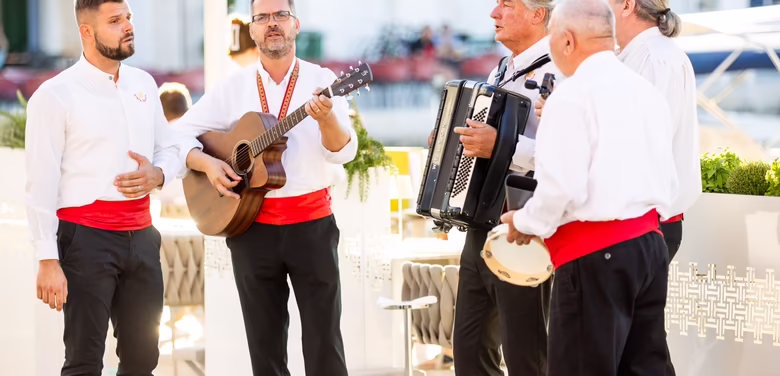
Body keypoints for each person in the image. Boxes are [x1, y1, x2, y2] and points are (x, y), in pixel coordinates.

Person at [170, 0, 357, 375]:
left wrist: (326, 121)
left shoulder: (322, 80)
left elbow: (344, 152)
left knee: (324, 344)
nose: (273, 23)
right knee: (264, 350)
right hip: (250, 228)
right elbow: (176, 135)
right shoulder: (232, 87)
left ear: (296, 25)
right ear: (252, 29)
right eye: (263, 17)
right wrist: (208, 164)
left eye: (281, 15)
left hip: (312, 226)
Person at [500, 0, 678, 375]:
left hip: (596, 253)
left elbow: (562, 188)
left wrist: (525, 221)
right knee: (645, 368)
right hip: (649, 247)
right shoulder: (646, 92)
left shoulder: (571, 95)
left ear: (567, 40)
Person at [25, 0, 181, 374]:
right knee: (84, 360)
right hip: (85, 240)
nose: (128, 26)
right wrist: (47, 259)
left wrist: (159, 174)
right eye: (114, 21)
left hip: (143, 236)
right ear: (86, 31)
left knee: (143, 359)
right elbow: (40, 182)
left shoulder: (144, 84)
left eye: (128, 17)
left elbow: (171, 148)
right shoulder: (54, 94)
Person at [433, 1, 561, 374]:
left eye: (507, 4)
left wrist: (502, 147)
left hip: (526, 225)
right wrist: (450, 141)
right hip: (482, 221)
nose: (494, 13)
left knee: (525, 354)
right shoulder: (500, 70)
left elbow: (564, 157)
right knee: (469, 350)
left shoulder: (561, 70)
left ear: (537, 14)